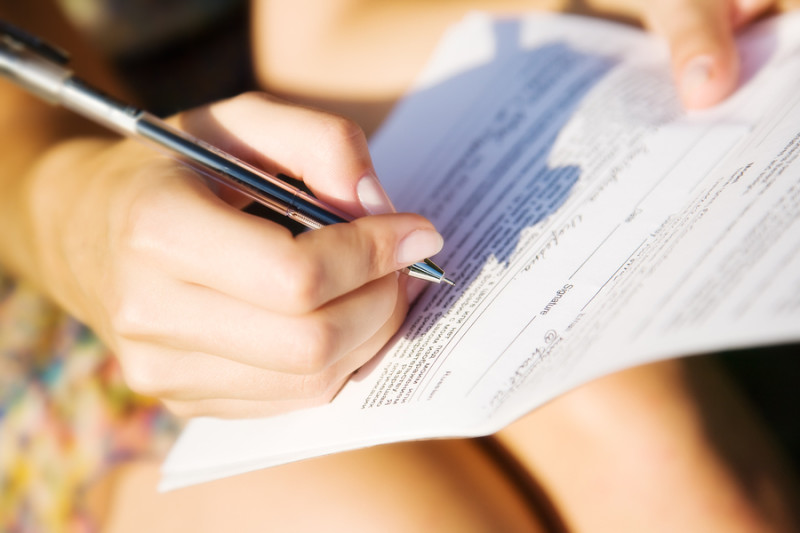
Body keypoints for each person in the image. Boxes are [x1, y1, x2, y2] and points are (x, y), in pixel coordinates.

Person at [0, 0, 797, 531]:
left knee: (672, 469)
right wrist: (70, 210)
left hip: (343, 111)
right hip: (50, 236)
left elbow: (331, 29)